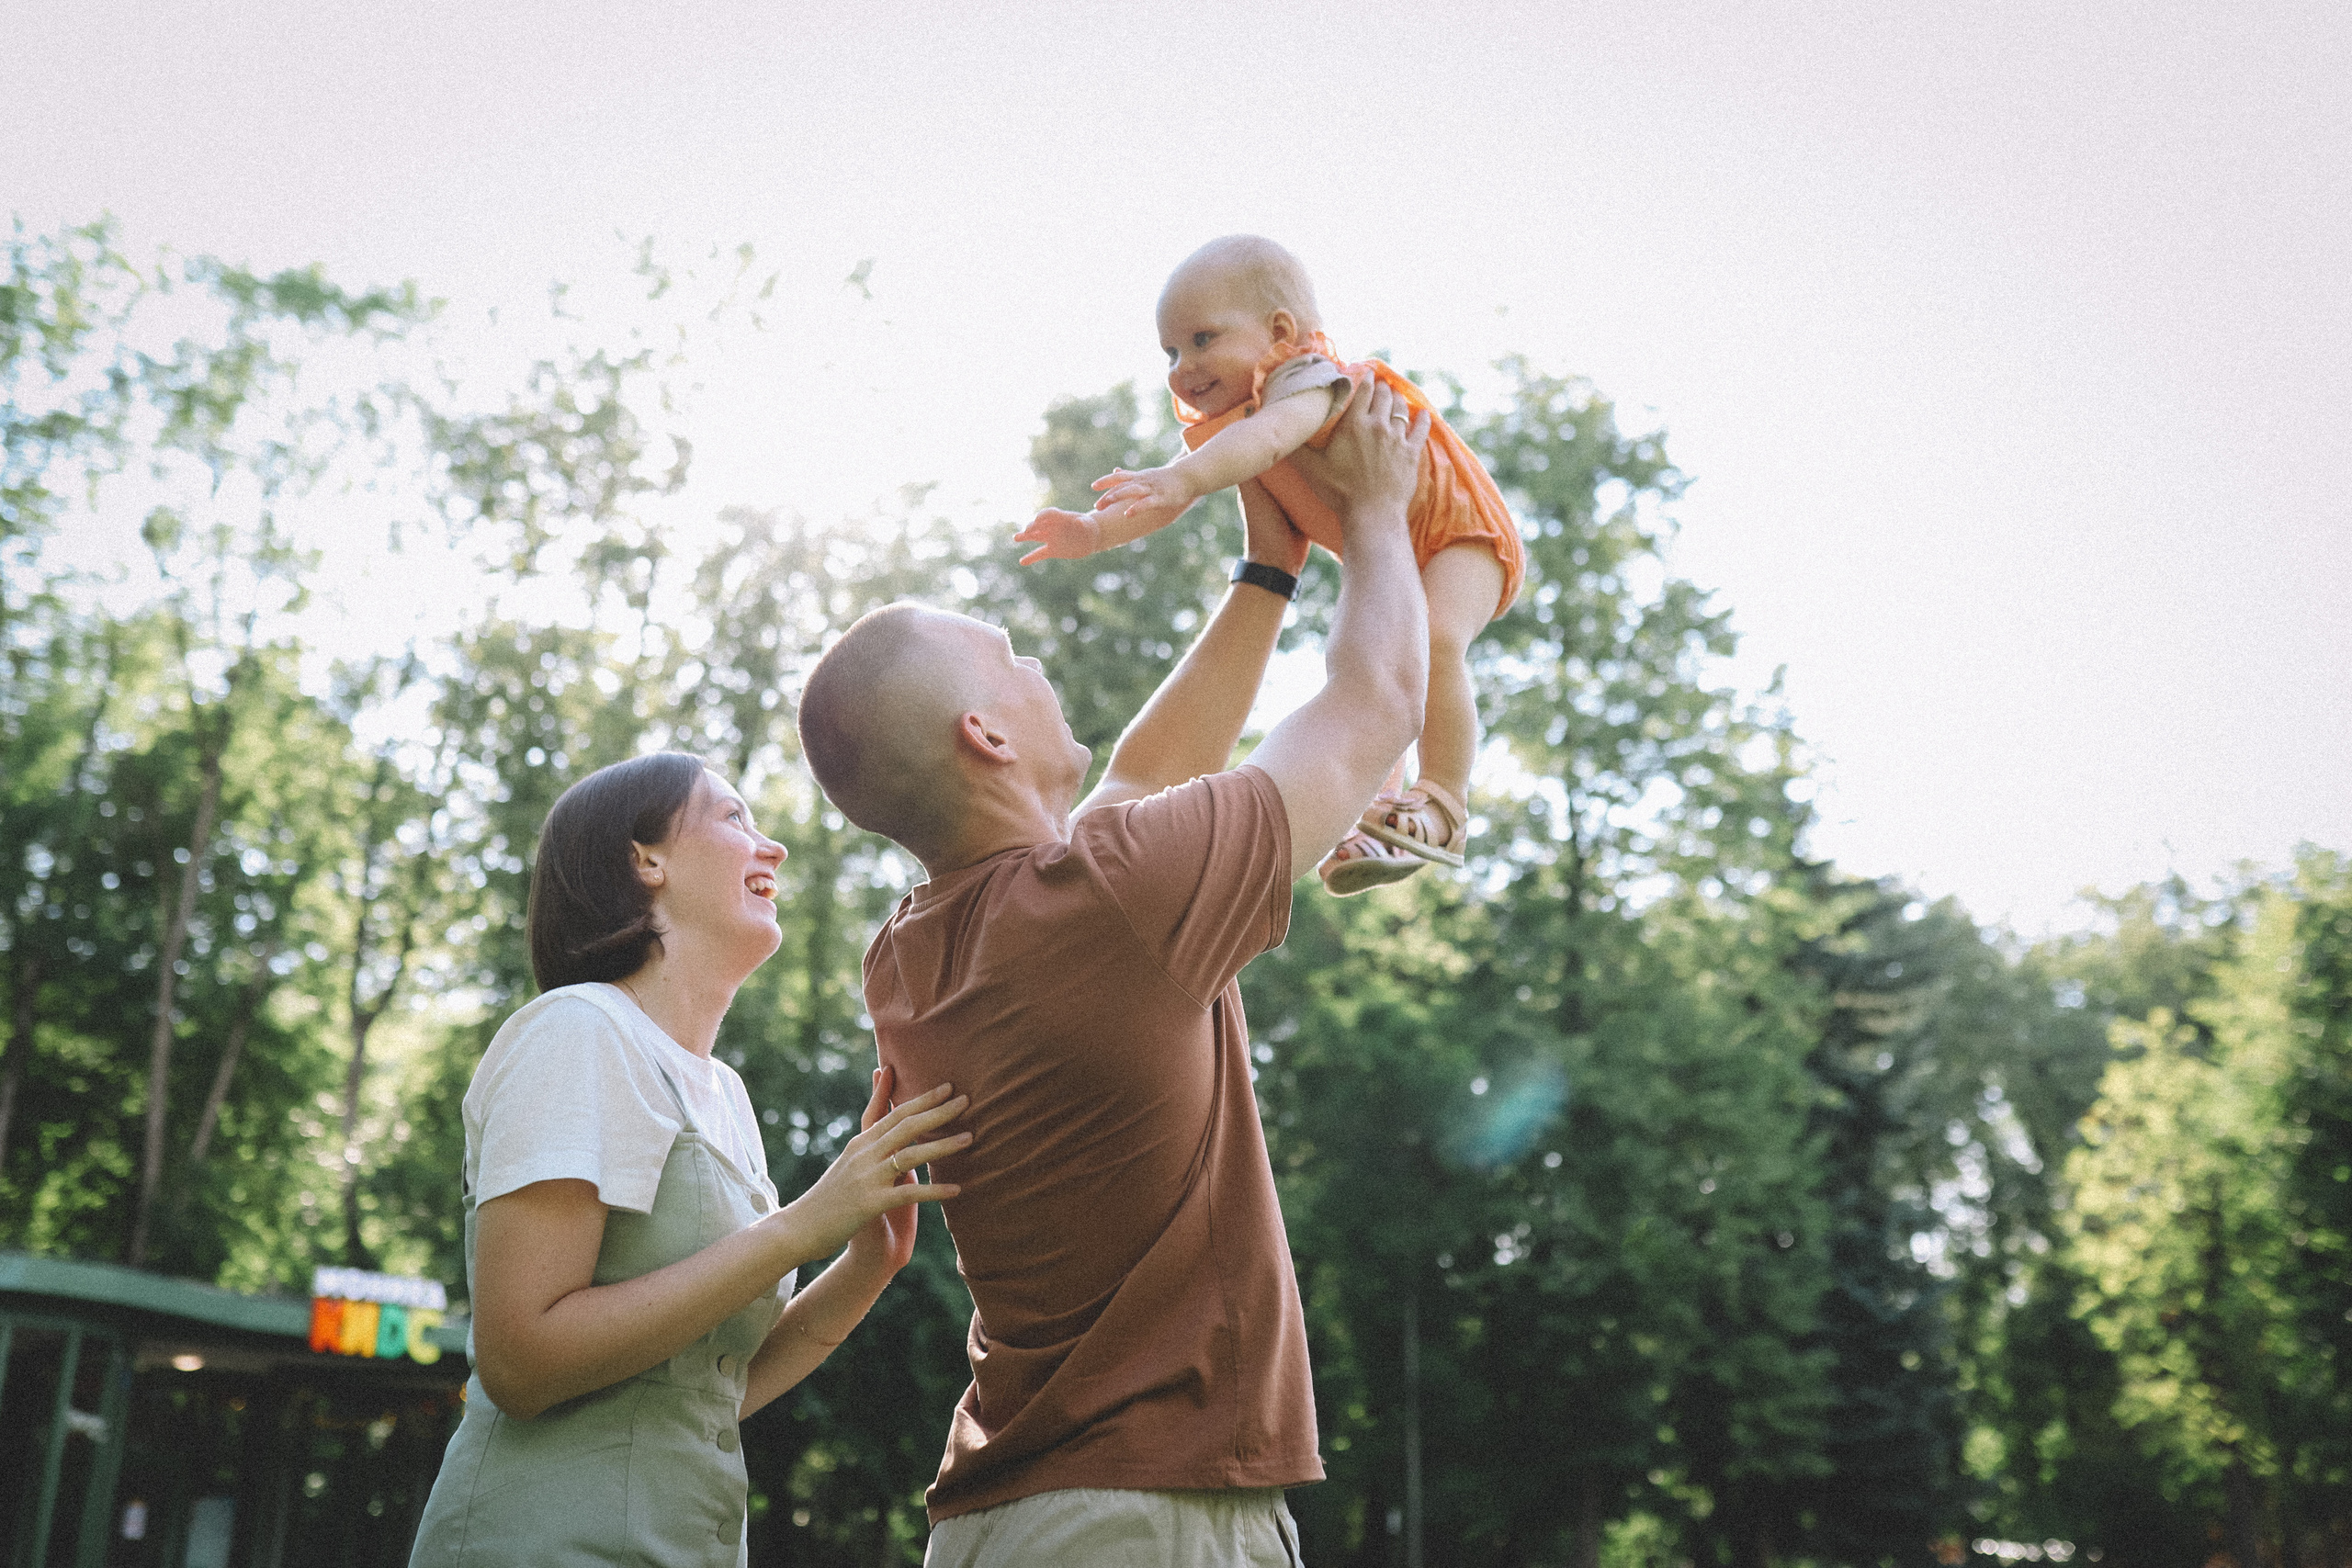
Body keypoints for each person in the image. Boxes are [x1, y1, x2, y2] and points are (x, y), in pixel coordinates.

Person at [796, 378, 1432, 1566]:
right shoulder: (1109, 899)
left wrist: (1269, 571)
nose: (1038, 664)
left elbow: (1139, 783)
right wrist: (1381, 510)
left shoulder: (912, 954)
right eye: (1013, 657)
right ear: (986, 735)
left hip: (1003, 1521)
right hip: (1143, 1517)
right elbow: (1381, 700)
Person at [409, 752, 971, 1567]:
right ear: (647, 859)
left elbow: (708, 1390)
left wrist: (864, 1265)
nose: (773, 847)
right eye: (735, 816)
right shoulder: (577, 1029)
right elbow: (520, 1361)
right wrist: (799, 1227)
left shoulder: (728, 1095)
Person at [1014, 233, 1527, 896]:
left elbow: (1263, 440)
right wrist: (1093, 531)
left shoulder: (1304, 378)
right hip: (1396, 541)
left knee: (1433, 637)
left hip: (1462, 534)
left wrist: (1184, 478)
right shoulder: (1240, 420)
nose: (1182, 367)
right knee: (1385, 651)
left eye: (1203, 339)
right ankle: (1379, 813)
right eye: (1171, 352)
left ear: (1280, 333)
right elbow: (1175, 489)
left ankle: (1444, 802)